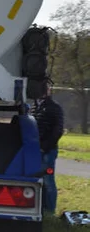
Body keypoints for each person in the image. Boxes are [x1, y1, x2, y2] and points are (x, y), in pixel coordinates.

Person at [33, 80, 65, 216]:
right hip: (35, 150)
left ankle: (49, 211)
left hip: (47, 151)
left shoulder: (54, 108)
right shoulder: (35, 107)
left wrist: (44, 147)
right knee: (37, 180)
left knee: (48, 181)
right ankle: (40, 208)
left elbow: (57, 131)